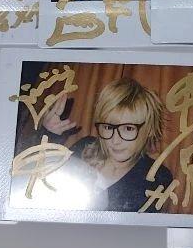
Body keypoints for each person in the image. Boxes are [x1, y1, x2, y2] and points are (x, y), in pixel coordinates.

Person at [32, 78, 174, 212]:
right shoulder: (84, 146)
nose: (115, 140)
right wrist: (48, 136)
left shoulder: (156, 177)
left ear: (149, 130)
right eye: (108, 127)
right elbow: (37, 186)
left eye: (128, 128)